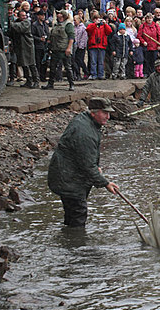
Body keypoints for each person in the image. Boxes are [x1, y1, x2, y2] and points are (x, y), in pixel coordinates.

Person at [47, 97, 120, 227]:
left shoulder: (86, 120)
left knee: (72, 212)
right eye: (105, 113)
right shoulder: (84, 132)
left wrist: (95, 166)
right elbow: (87, 166)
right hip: (68, 179)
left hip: (69, 173)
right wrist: (106, 183)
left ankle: (69, 238)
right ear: (93, 112)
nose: (108, 117)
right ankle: (76, 243)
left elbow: (85, 158)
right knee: (78, 213)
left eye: (109, 113)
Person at [42, 11, 76, 91]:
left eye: (59, 13)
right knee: (52, 67)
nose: (57, 15)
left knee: (68, 67)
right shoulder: (56, 25)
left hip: (64, 49)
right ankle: (50, 84)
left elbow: (71, 37)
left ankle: (71, 84)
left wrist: (69, 48)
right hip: (55, 49)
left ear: (63, 15)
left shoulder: (68, 25)